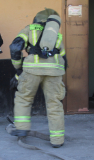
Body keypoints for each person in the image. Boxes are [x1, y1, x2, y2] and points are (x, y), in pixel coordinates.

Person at [8, 8, 67, 148]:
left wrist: (18, 68)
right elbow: (64, 58)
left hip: (32, 69)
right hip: (55, 71)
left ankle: (21, 130)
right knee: (55, 105)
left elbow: (15, 47)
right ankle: (57, 140)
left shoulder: (29, 29)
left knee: (24, 98)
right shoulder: (57, 36)